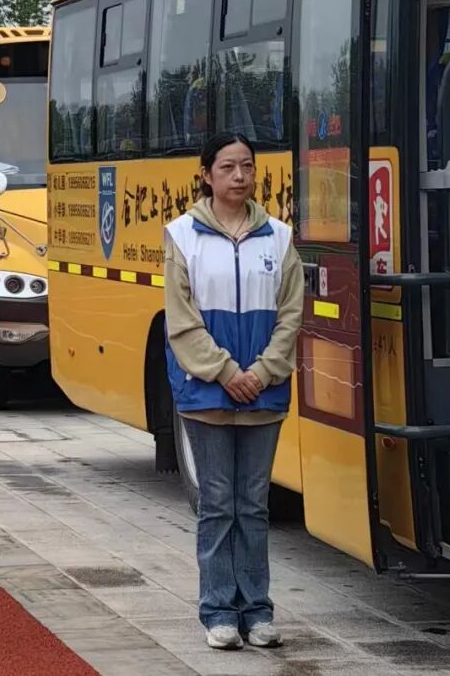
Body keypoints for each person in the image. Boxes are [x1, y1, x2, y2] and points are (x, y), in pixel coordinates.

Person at [164, 132, 303, 652]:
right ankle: (219, 610)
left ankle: (259, 612)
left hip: (263, 396)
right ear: (207, 174)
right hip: (207, 396)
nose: (240, 176)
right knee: (218, 504)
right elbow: (181, 321)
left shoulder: (280, 238)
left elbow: (291, 316)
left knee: (255, 504)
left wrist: (263, 373)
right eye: (228, 167)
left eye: (247, 166)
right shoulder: (181, 236)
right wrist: (225, 373)